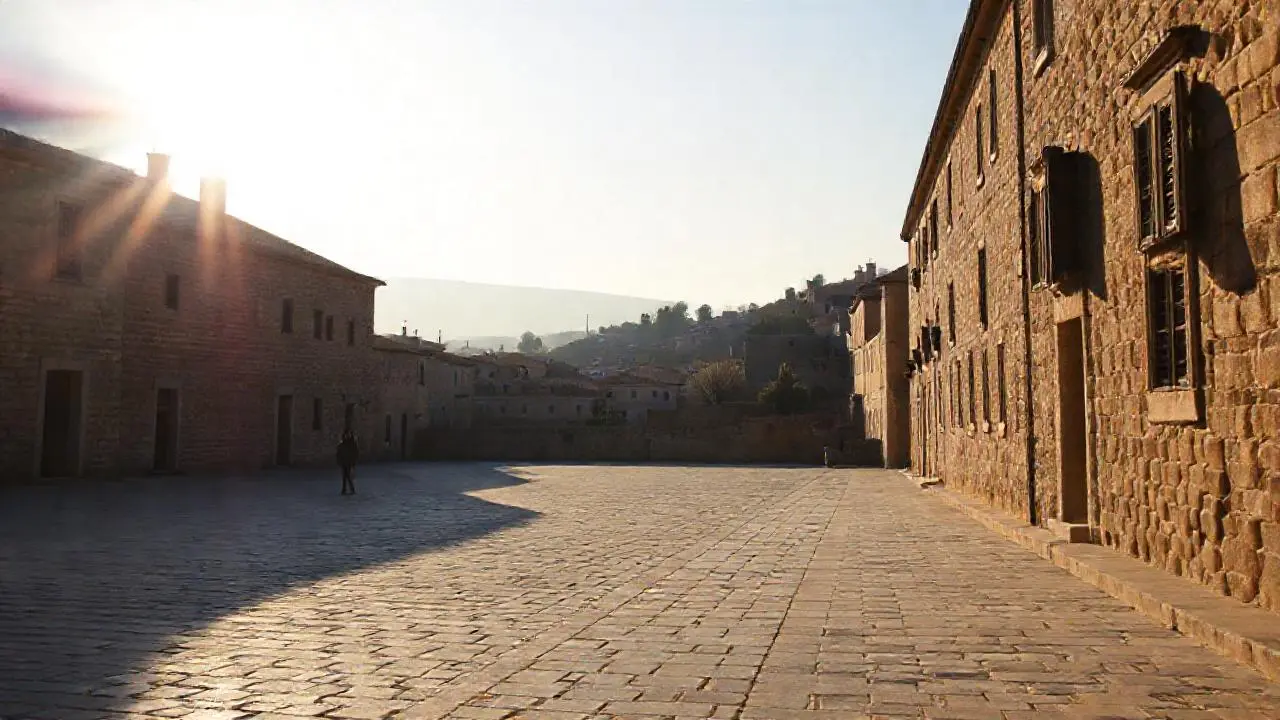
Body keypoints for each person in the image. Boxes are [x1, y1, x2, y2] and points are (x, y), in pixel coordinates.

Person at [337, 430, 359, 495]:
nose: (347, 436)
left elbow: (355, 453)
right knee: (344, 476)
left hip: (349, 462)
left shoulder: (353, 443)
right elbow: (339, 453)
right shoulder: (342, 444)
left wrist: (353, 462)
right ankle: (344, 489)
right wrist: (339, 461)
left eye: (348, 434)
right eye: (346, 434)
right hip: (343, 462)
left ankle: (351, 489)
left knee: (348, 476)